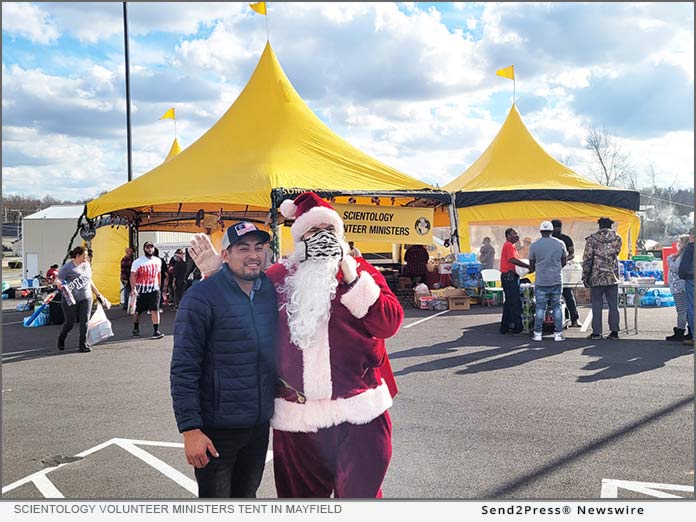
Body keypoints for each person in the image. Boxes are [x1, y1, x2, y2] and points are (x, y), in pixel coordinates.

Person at [189, 191, 403, 498]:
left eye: (328, 231)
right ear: (299, 240)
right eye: (312, 232)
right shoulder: (277, 277)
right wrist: (214, 273)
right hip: (298, 423)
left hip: (360, 417)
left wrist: (353, 277)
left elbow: (389, 323)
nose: (321, 238)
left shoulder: (362, 273)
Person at [171, 222, 277, 498]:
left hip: (258, 426)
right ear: (226, 255)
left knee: (246, 499)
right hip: (217, 430)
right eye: (243, 248)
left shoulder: (269, 291)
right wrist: (190, 429)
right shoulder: (201, 297)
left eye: (258, 247)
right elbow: (184, 367)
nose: (253, 254)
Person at [55, 245, 106, 353]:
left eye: (87, 256)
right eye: (84, 256)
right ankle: (61, 337)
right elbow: (58, 280)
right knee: (70, 322)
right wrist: (59, 284)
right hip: (71, 299)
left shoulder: (87, 265)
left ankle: (83, 344)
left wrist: (98, 293)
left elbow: (89, 281)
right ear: (78, 256)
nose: (86, 258)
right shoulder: (67, 267)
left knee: (85, 321)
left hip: (86, 297)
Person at [581, 217, 622, 340]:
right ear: (611, 226)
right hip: (612, 276)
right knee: (613, 305)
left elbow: (587, 259)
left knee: (597, 305)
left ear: (599, 226)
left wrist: (585, 276)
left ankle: (596, 333)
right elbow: (617, 253)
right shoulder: (617, 238)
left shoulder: (592, 239)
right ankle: (614, 332)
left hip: (596, 276)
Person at [528, 221, 568, 342]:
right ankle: (558, 334)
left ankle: (538, 333)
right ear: (552, 231)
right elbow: (564, 261)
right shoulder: (560, 243)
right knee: (556, 306)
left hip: (541, 280)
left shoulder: (534, 245)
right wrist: (556, 269)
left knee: (540, 307)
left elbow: (532, 265)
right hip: (556, 279)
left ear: (541, 231)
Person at [130, 242, 164, 339]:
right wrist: (133, 289)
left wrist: (160, 286)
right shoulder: (138, 262)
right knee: (138, 311)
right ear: (144, 249)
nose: (150, 249)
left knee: (155, 309)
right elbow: (132, 276)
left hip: (154, 289)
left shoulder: (158, 261)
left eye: (151, 247)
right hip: (141, 290)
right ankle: (136, 327)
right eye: (148, 247)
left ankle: (156, 330)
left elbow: (159, 274)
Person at [500, 228, 530, 334]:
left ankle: (505, 326)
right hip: (509, 277)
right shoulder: (508, 245)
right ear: (508, 235)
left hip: (511, 276)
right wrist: (528, 266)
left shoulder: (511, 246)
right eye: (514, 234)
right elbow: (512, 260)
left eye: (517, 234)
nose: (517, 236)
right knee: (515, 302)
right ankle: (518, 327)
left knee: (509, 302)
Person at [551, 219, 580, 327]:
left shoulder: (566, 239)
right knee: (552, 296)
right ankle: (552, 320)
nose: (556, 230)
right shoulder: (547, 240)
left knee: (567, 294)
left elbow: (572, 253)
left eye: (557, 227)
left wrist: (564, 259)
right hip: (551, 270)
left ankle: (574, 319)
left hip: (564, 270)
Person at [665, 234, 690, 342]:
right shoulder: (683, 255)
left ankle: (680, 331)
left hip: (679, 287)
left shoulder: (682, 256)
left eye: (680, 242)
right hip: (680, 286)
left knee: (682, 310)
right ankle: (688, 331)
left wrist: (669, 259)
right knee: (685, 310)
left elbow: (676, 268)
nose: (677, 244)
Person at [678, 228, 694, 347]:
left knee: (692, 308)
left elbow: (684, 266)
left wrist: (682, 275)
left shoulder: (690, 248)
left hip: (691, 278)